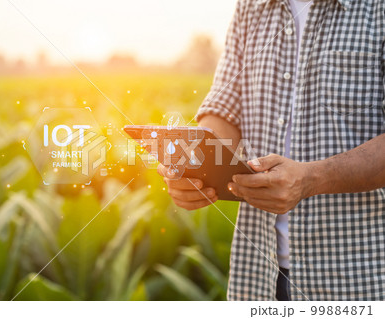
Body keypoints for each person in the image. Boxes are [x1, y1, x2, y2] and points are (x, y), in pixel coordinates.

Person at [158, 0, 385, 300]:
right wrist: (197, 163)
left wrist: (311, 178)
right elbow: (223, 108)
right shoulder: (250, 7)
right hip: (257, 277)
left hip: (356, 278)